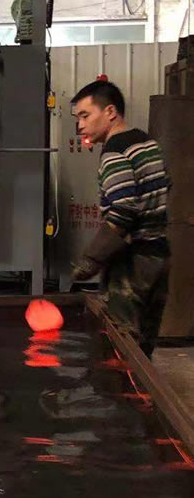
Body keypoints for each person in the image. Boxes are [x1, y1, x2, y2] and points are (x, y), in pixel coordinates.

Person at [71, 80, 170, 359]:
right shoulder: (147, 143)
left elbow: (124, 211)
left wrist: (91, 260)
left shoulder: (114, 151)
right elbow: (167, 184)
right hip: (160, 258)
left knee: (119, 351)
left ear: (111, 112)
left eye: (85, 116)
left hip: (132, 264)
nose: (80, 125)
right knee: (143, 350)